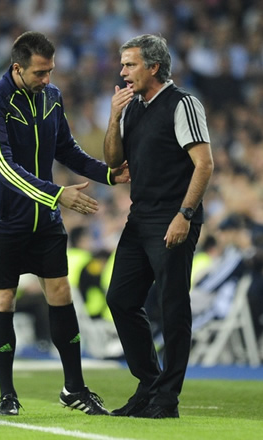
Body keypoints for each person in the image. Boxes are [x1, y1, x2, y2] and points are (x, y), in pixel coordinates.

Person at [0, 31, 129, 416]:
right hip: (3, 221)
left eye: (50, 71)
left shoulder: (51, 97)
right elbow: (2, 167)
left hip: (44, 219)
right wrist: (58, 194)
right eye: (40, 73)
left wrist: (108, 175)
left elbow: (66, 149)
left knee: (60, 292)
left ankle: (73, 388)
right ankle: (7, 394)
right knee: (3, 299)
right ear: (17, 68)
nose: (47, 79)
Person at [103, 34, 214, 418]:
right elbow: (115, 162)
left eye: (130, 64)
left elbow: (205, 163)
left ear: (153, 66)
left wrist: (185, 214)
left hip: (173, 216)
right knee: (120, 298)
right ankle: (149, 383)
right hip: (140, 216)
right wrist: (114, 116)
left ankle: (167, 398)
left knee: (172, 306)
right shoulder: (132, 106)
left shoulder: (183, 104)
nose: (122, 72)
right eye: (122, 64)